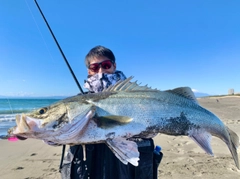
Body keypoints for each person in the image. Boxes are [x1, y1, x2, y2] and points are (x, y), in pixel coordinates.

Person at [61, 45, 158, 179]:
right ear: (89, 71)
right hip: (88, 170)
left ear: (114, 66)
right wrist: (34, 130)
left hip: (128, 170)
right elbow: (58, 133)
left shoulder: (136, 96)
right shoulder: (76, 102)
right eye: (94, 67)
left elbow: (152, 128)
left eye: (106, 65)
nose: (101, 71)